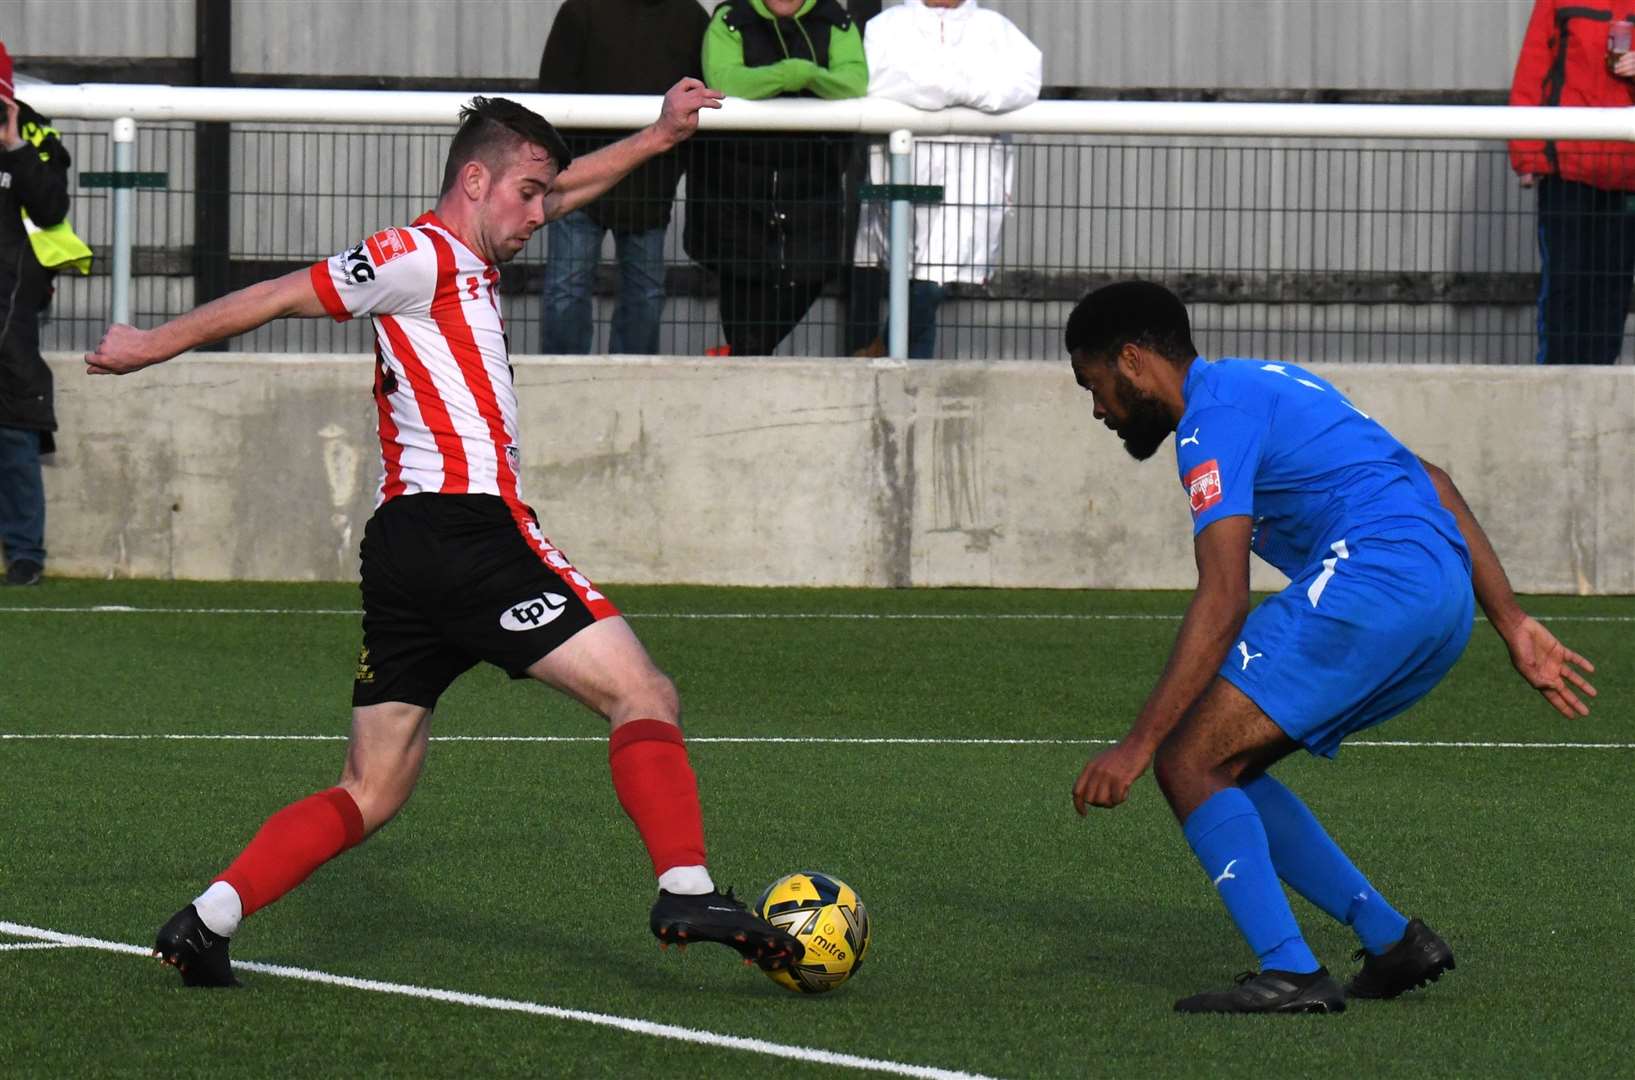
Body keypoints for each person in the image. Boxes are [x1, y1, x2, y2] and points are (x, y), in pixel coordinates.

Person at [84, 89, 805, 987]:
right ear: (475, 180)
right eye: (528, 195)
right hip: (465, 528)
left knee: (373, 787)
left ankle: (206, 920)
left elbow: (573, 185)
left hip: (401, 551)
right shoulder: (413, 256)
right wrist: (153, 345)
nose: (543, 214)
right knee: (643, 693)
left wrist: (658, 138)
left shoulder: (467, 249)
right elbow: (277, 293)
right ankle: (686, 886)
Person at [1064, 281, 1598, 1014]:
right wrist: (1507, 620)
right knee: (1226, 764)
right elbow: (1432, 479)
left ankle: (1290, 972)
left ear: (1130, 361)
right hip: (1439, 596)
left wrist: (1134, 745)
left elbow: (1222, 599)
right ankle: (1389, 941)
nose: (1095, 410)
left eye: (1091, 385)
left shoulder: (1208, 426)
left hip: (1372, 579)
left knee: (1184, 760)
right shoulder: (1267, 380)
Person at [847, 0, 1041, 359]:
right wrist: (967, 87)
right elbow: (878, 81)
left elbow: (1021, 85)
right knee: (911, 275)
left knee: (934, 279)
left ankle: (884, 347)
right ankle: (909, 381)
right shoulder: (887, 26)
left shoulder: (996, 29)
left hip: (972, 172)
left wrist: (937, 88)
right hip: (905, 165)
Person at [685, 0, 868, 355]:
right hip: (733, 190)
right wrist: (789, 75)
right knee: (740, 286)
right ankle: (742, 362)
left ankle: (739, 360)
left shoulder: (836, 20)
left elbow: (855, 82)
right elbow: (724, 79)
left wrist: (810, 75)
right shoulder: (730, 18)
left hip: (811, 187)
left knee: (808, 276)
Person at [537, 0, 710, 355]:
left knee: (644, 296)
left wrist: (671, 165)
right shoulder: (580, 11)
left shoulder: (690, 18)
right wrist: (561, 171)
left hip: (650, 183)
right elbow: (553, 95)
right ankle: (564, 386)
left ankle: (634, 393)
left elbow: (700, 96)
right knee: (567, 292)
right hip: (578, 180)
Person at [0, 43, 89, 587]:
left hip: (12, 308)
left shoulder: (34, 135)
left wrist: (13, 146)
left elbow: (52, 207)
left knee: (14, 429)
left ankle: (26, 553)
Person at [1509, 2, 1635, 364]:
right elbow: (1532, 73)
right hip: (1567, 169)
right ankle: (1555, 385)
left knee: (1611, 290)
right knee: (1565, 284)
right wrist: (1527, 154)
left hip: (1627, 175)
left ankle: (1597, 389)